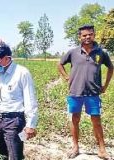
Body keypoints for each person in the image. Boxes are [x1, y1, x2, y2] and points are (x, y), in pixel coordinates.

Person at [58, 25, 113, 159]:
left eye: (90, 34)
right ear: (79, 37)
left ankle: (102, 149)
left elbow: (111, 68)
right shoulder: (73, 52)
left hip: (93, 94)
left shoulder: (101, 53)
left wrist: (105, 85)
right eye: (84, 35)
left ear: (94, 35)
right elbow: (60, 64)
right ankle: (75, 147)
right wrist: (66, 77)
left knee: (96, 121)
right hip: (75, 93)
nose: (87, 37)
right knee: (75, 119)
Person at [0, 44, 38, 160]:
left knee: (15, 154)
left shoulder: (22, 73)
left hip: (14, 120)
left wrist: (31, 124)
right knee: (1, 152)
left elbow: (30, 99)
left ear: (7, 58)